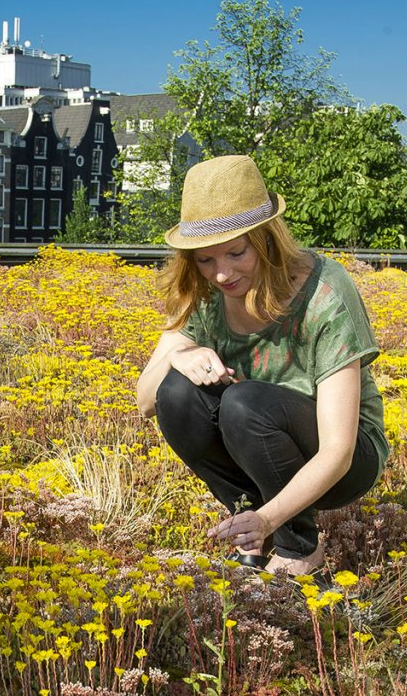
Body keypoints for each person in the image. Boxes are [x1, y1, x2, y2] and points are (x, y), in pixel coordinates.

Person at [135, 155, 390, 576]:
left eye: (236, 253)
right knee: (176, 393)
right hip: (258, 446)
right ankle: (251, 528)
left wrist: (273, 517)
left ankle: (297, 545)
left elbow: (338, 452)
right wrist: (180, 355)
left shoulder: (324, 291)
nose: (222, 274)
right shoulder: (203, 292)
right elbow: (147, 402)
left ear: (267, 239)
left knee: (243, 402)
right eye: (205, 259)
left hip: (344, 461)